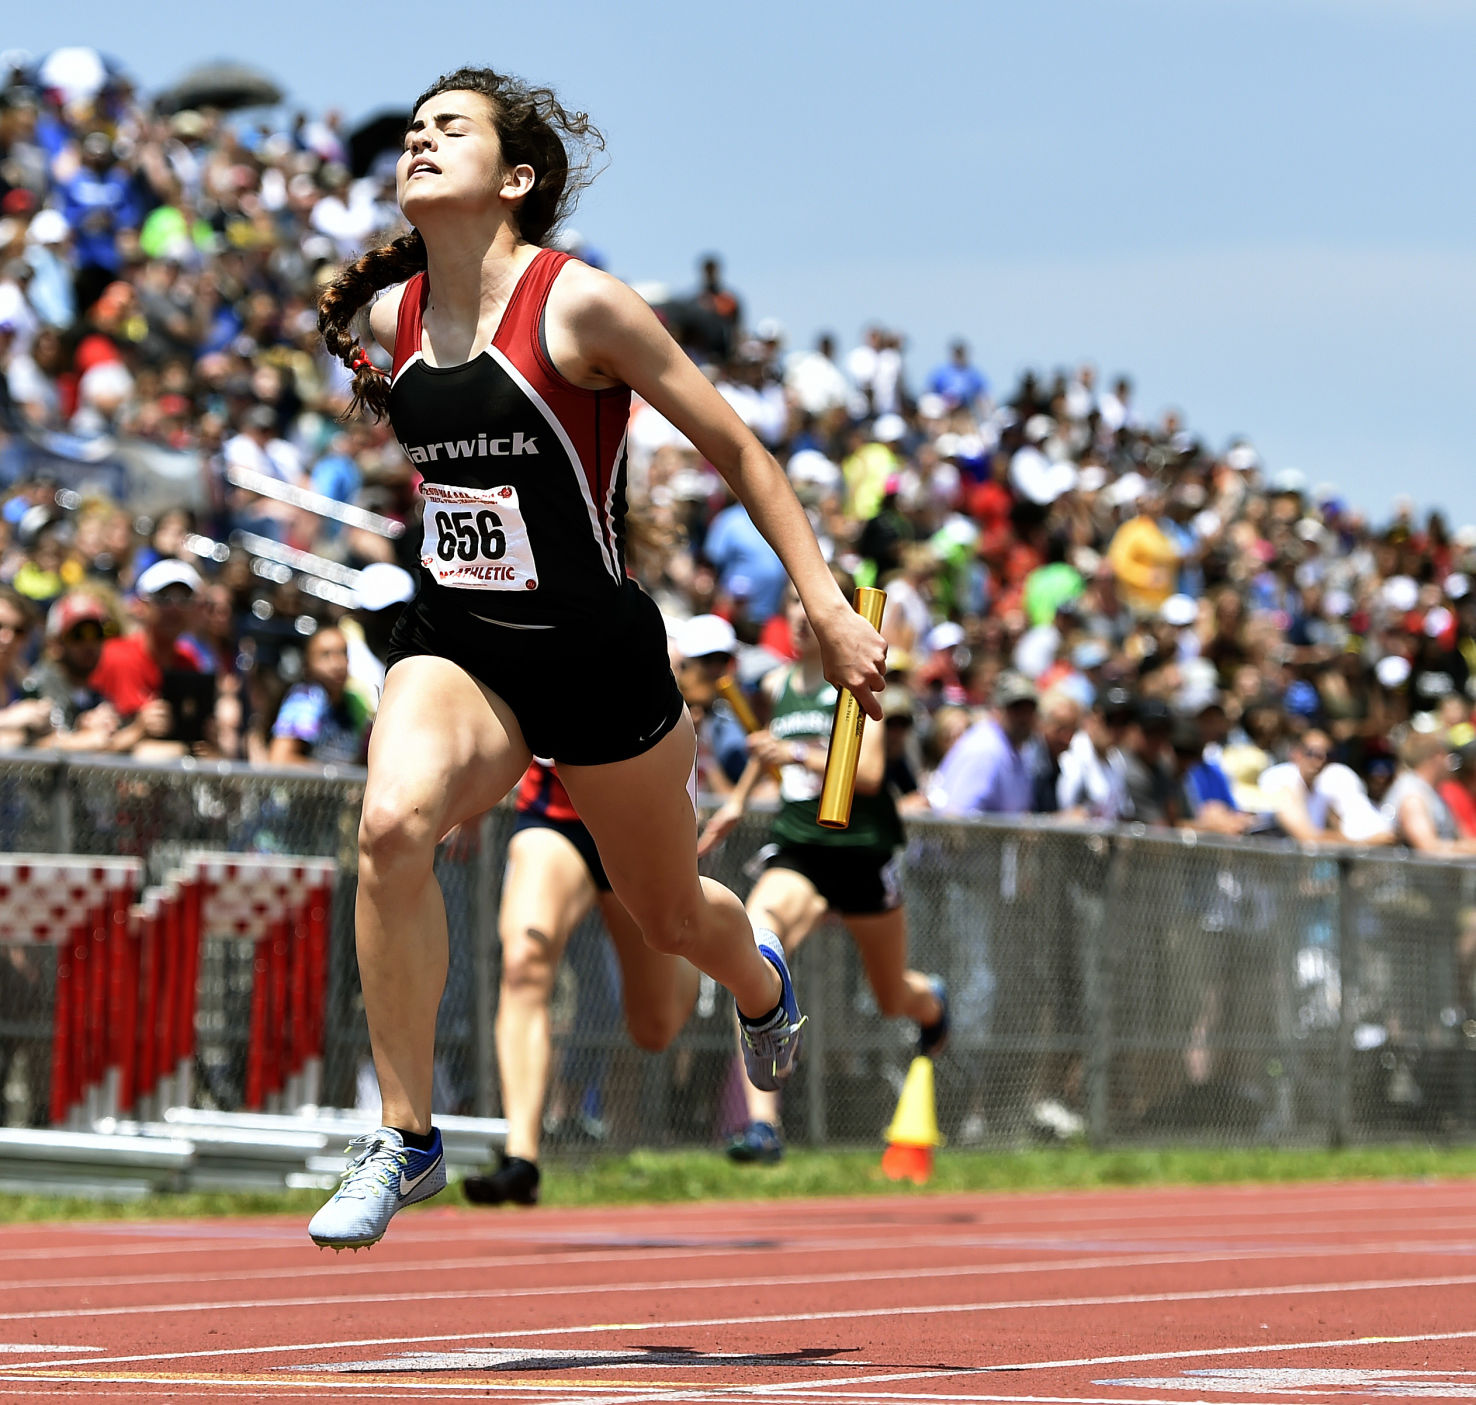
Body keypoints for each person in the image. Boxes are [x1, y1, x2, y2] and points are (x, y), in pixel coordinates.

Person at [305, 66, 885, 1250]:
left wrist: (823, 603)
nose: (418, 142)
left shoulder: (581, 308)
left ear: (515, 177)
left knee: (672, 918)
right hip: (460, 643)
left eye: (447, 130)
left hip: (599, 659)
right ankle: (407, 1135)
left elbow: (736, 444)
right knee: (390, 828)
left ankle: (762, 978)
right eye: (411, 131)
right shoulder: (391, 318)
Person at [698, 580, 946, 1163]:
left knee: (891, 997)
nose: (805, 619)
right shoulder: (774, 686)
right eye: (795, 607)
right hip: (801, 849)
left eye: (815, 607)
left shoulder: (862, 679)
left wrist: (802, 756)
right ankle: (763, 1125)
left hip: (863, 856)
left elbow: (868, 775)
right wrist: (738, 800)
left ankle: (931, 1001)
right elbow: (768, 749)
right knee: (753, 940)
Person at [462, 758, 699, 1204]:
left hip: (639, 823)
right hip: (553, 820)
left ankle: (697, 953)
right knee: (524, 962)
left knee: (654, 1028)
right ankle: (522, 1158)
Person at [268, 625, 373, 768]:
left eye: (343, 653)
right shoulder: (305, 698)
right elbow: (279, 759)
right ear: (307, 665)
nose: (338, 664)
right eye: (326, 655)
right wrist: (332, 775)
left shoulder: (356, 701)